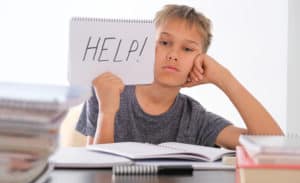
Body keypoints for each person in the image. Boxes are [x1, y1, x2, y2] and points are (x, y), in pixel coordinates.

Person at [76, 4, 282, 149]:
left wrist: (225, 78)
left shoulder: (195, 118)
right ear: (147, 46)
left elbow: (274, 145)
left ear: (200, 60)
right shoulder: (106, 91)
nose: (173, 55)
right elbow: (97, 176)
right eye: (164, 43)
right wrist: (107, 111)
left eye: (187, 49)